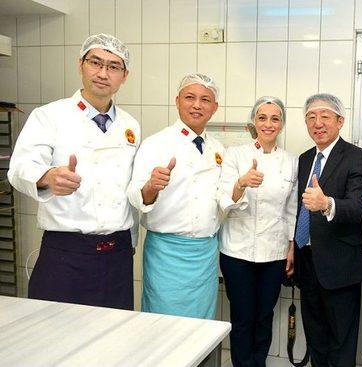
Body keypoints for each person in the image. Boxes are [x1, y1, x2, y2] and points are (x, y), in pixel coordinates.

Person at [8, 34, 139, 310]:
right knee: (55, 336)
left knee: (116, 338)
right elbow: (19, 168)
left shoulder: (131, 126)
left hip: (117, 253)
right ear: (81, 65)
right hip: (66, 253)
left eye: (113, 67)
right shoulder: (49, 116)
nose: (103, 73)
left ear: (124, 76)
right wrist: (47, 177)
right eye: (96, 63)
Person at [126, 73, 225, 319]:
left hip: (205, 253)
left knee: (201, 326)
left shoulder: (218, 150)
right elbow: (135, 194)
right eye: (190, 97)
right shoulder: (156, 143)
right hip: (166, 253)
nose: (197, 105)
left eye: (205, 99)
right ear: (177, 100)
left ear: (214, 108)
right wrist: (151, 186)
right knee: (163, 323)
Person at [293, 93, 362, 367]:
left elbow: (357, 207)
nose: (318, 123)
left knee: (341, 342)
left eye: (325, 117)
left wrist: (327, 204)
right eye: (311, 118)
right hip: (307, 261)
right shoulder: (304, 159)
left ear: (340, 121)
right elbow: (298, 209)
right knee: (316, 338)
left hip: (340, 265)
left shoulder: (358, 157)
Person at [217, 96, 297, 367]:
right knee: (242, 318)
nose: (268, 124)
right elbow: (222, 200)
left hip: (274, 253)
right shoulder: (235, 155)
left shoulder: (290, 161)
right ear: (254, 122)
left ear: (282, 124)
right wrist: (241, 184)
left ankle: (257, 363)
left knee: (264, 317)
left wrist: (290, 247)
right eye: (262, 118)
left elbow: (291, 209)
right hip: (237, 252)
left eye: (275, 118)